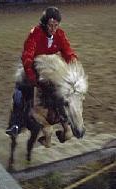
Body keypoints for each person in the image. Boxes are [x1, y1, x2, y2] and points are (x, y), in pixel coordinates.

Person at [6, 6, 78, 136]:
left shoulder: (60, 34)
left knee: (62, 88)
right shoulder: (35, 33)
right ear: (45, 23)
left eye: (56, 25)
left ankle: (67, 120)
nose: (53, 29)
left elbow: (68, 53)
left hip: (48, 68)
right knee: (20, 88)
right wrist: (31, 75)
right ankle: (16, 123)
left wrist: (74, 64)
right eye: (51, 25)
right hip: (31, 66)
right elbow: (27, 56)